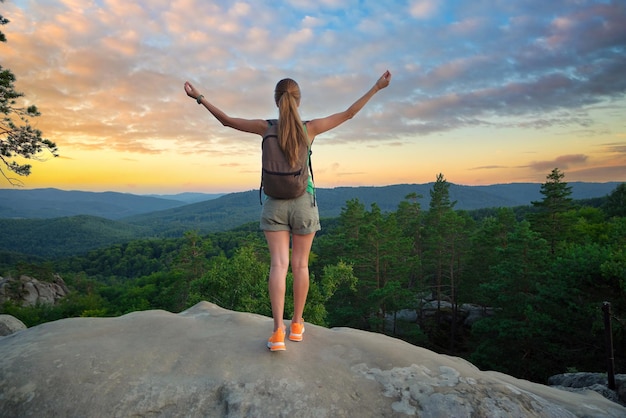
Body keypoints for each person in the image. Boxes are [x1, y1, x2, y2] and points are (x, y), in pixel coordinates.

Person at [184, 70, 391, 351]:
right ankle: (297, 325)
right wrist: (377, 87)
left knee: (278, 266)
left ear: (276, 100)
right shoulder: (311, 128)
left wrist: (200, 98)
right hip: (304, 202)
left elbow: (226, 121)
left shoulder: (265, 127)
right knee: (300, 265)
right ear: (298, 100)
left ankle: (277, 331)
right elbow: (349, 113)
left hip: (273, 204)